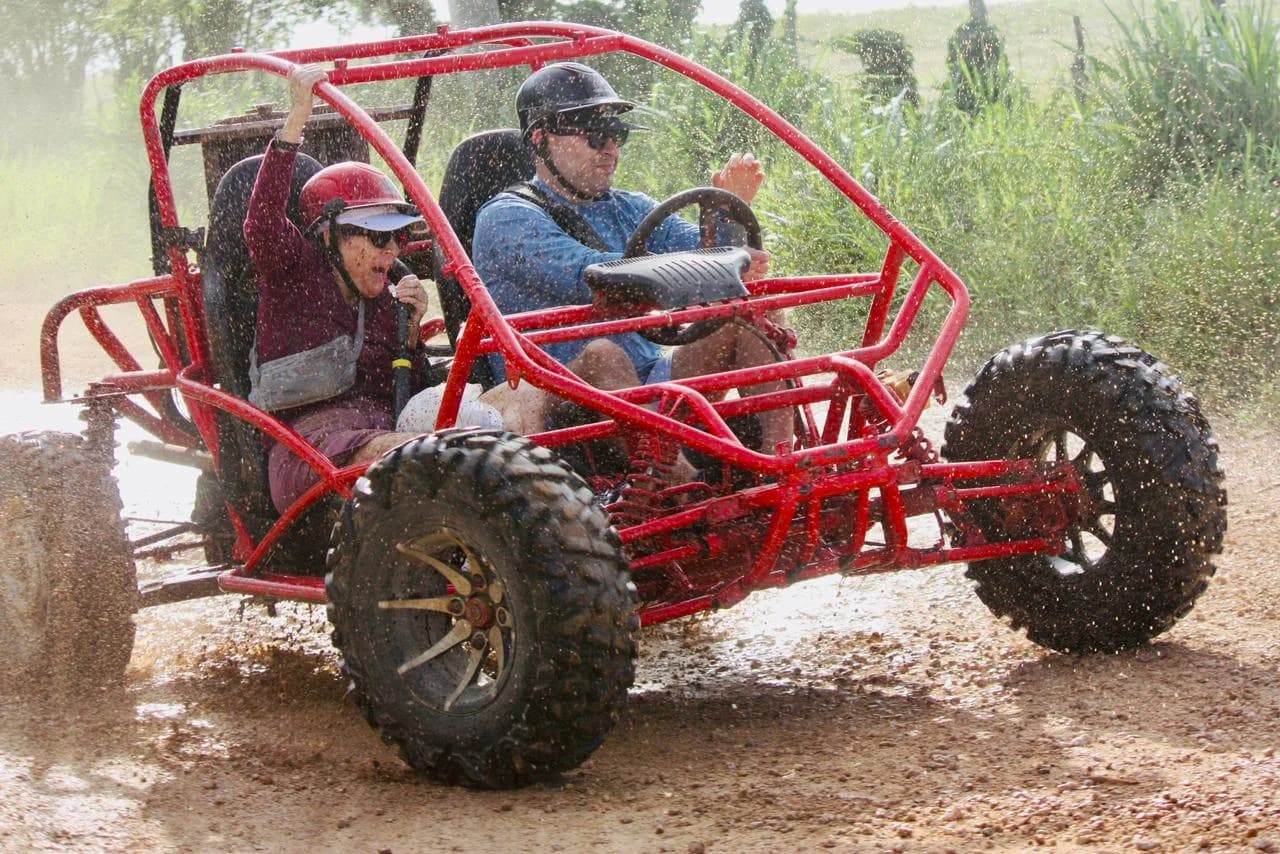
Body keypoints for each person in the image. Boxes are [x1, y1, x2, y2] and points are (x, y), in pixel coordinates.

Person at [471, 62, 792, 454]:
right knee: (605, 354)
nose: (611, 150)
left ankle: (787, 465)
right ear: (540, 139)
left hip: (650, 379)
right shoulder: (506, 217)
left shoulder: (630, 207)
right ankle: (672, 485)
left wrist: (727, 227)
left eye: (617, 135)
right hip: (556, 391)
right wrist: (716, 261)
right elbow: (595, 274)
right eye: (595, 136)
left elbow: (707, 254)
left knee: (749, 311)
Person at [246, 65, 502, 513]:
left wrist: (411, 339)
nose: (392, 250)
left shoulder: (386, 303)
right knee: (439, 454)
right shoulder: (294, 274)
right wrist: (296, 119)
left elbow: (411, 389)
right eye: (378, 236)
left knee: (521, 404)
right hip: (312, 449)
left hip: (390, 434)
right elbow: (262, 223)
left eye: (398, 237)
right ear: (330, 235)